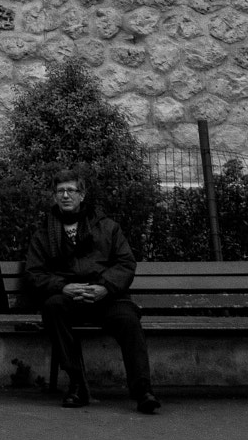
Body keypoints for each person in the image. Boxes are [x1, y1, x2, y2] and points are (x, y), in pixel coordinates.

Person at [23, 168, 159, 413]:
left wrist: (104, 287)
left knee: (128, 319)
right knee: (53, 308)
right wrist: (63, 286)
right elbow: (34, 273)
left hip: (106, 297)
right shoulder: (44, 233)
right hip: (69, 299)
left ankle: (143, 391)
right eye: (60, 191)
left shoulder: (106, 227)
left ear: (82, 195)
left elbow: (125, 263)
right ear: (54, 197)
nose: (65, 195)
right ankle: (77, 384)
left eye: (71, 190)